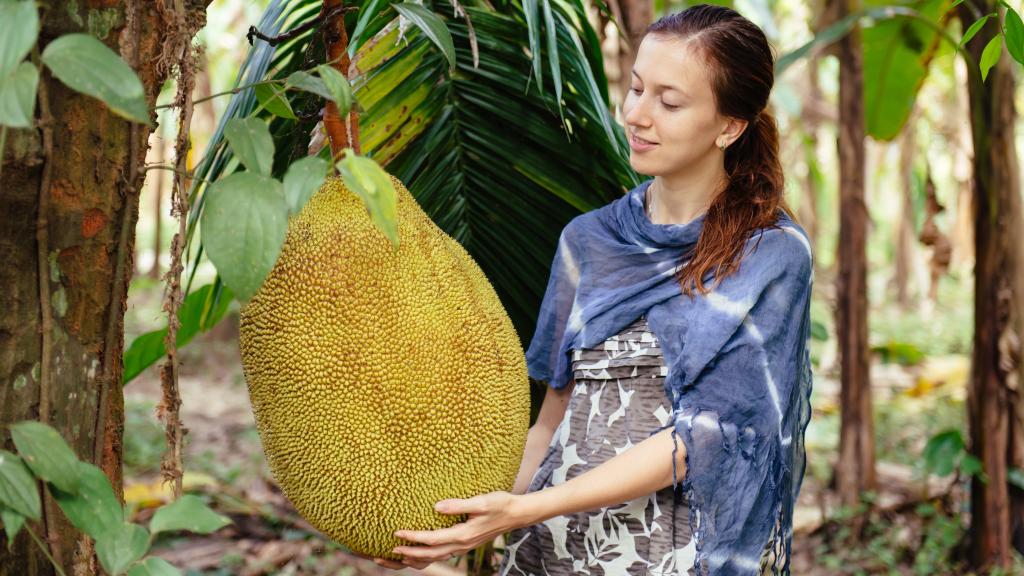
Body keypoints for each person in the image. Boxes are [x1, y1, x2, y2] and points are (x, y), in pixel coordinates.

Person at [368, 4, 814, 574]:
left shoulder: (770, 253)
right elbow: (551, 424)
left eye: (669, 102)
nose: (637, 115)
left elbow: (704, 435)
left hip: (672, 556)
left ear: (730, 126)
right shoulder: (589, 239)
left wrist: (522, 509)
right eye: (635, 89)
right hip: (547, 548)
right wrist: (451, 527)